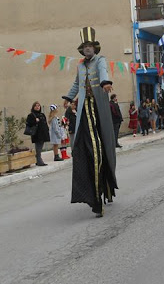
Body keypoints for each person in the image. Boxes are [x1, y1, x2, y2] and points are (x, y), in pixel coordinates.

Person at [63, 27, 118, 217]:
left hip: (97, 107)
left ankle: (104, 189)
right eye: (85, 46)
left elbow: (103, 72)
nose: (88, 49)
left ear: (95, 48)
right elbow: (76, 84)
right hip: (83, 109)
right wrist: (69, 98)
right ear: (82, 49)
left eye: (90, 46)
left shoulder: (100, 61)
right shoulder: (80, 66)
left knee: (101, 147)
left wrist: (105, 83)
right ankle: (92, 192)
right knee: (85, 148)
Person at [26, 101, 50, 166]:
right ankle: (39, 160)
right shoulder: (31, 115)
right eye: (36, 106)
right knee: (38, 147)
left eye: (38, 106)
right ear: (33, 107)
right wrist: (35, 121)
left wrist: (47, 131)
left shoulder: (42, 115)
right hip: (37, 134)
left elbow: (45, 124)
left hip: (43, 133)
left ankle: (38, 159)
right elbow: (28, 123)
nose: (37, 107)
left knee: (40, 146)